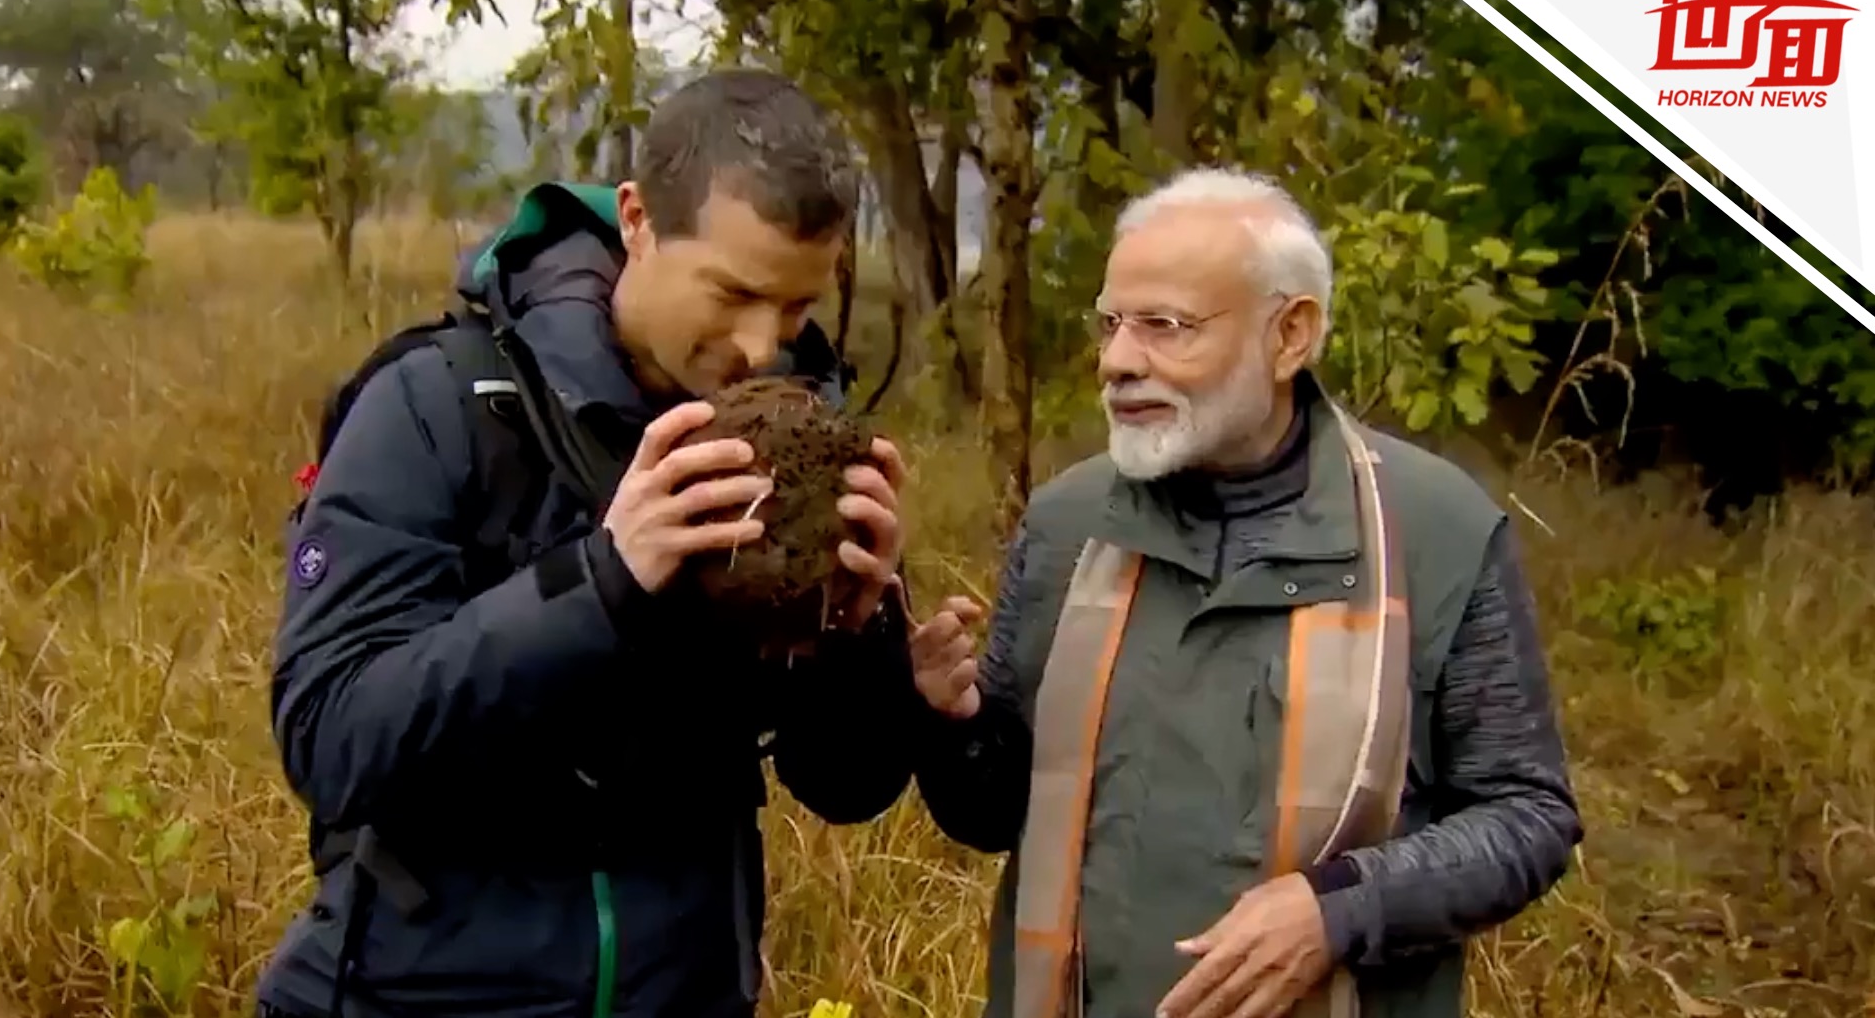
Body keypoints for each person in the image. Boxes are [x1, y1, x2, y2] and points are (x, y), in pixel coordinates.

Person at [257, 68, 932, 1018]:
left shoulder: (804, 436)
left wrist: (857, 633)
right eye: (733, 292)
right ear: (639, 219)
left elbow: (848, 785)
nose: (760, 347)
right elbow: (331, 737)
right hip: (422, 994)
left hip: (684, 989)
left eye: (794, 309)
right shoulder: (440, 405)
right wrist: (603, 582)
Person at [907, 167, 1586, 1018]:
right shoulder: (1069, 525)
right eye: (1112, 324)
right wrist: (951, 723)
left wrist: (1341, 908)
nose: (1118, 360)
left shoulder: (1436, 530)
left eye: (1166, 326)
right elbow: (991, 815)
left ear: (1290, 335)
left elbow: (1527, 816)